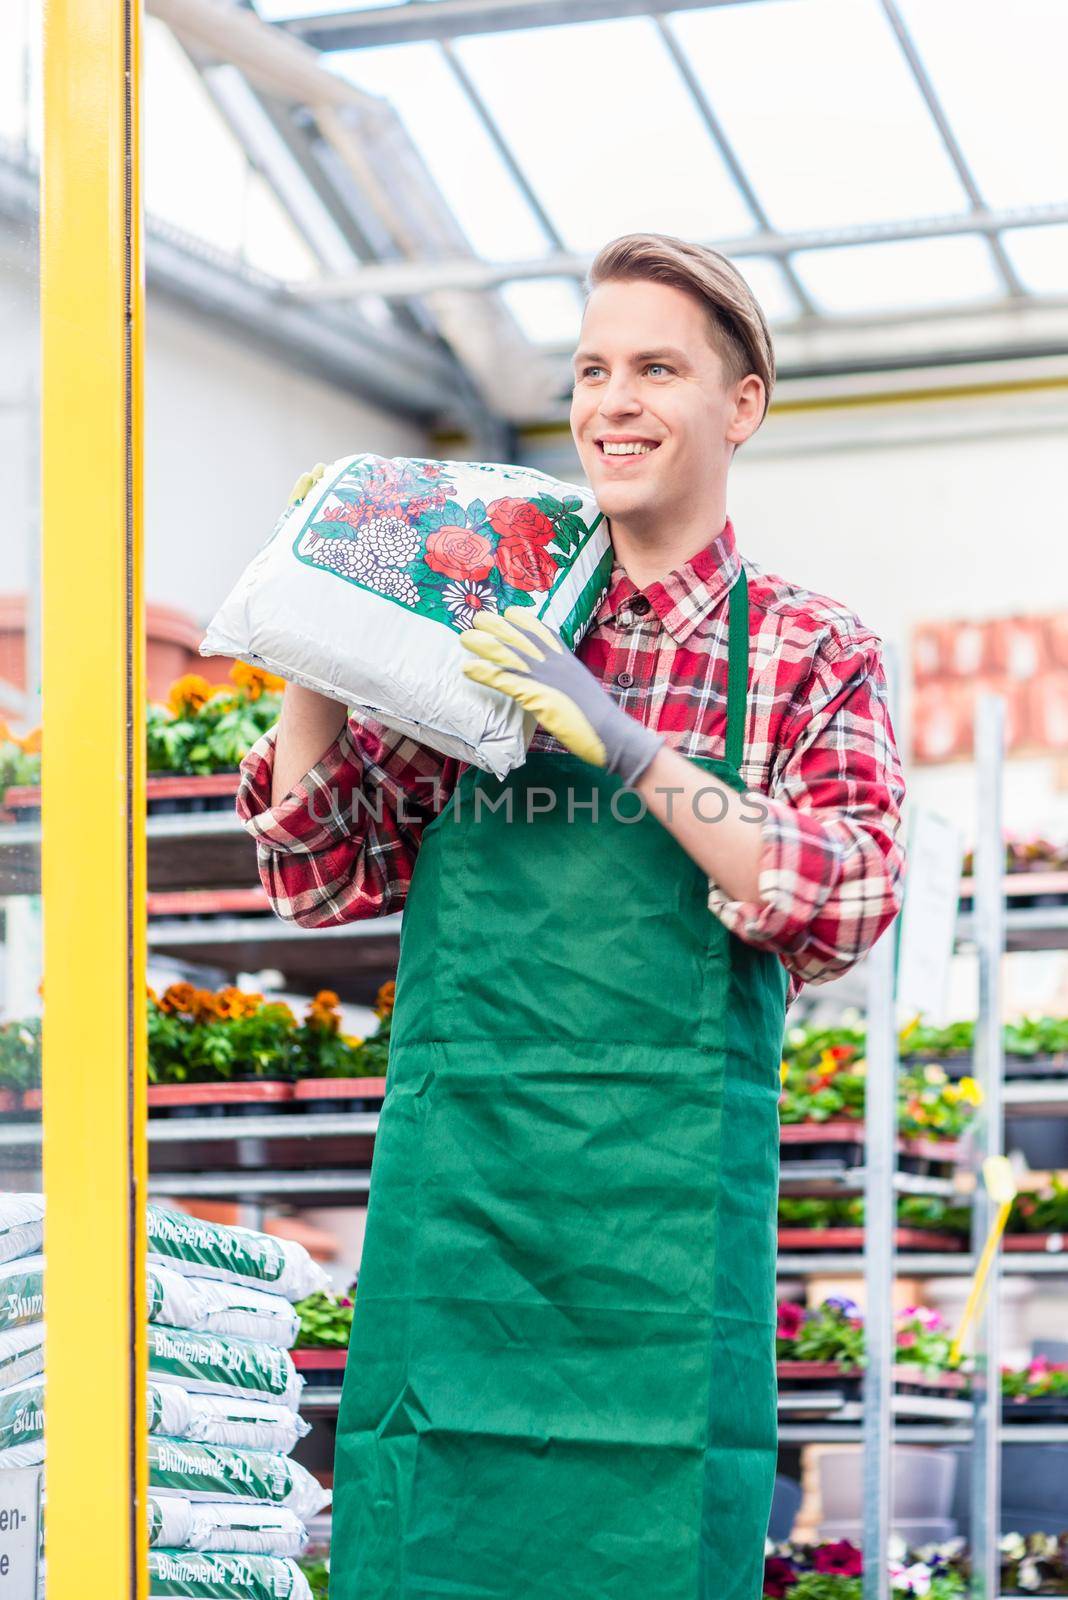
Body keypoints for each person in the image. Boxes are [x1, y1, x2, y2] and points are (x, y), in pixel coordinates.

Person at [236, 232, 907, 1600]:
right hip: (461, 1238)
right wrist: (326, 606)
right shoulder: (490, 609)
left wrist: (628, 746)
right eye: (593, 369)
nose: (612, 402)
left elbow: (842, 900)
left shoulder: (808, 650)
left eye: (657, 367)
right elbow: (320, 872)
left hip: (659, 1271)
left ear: (742, 403)